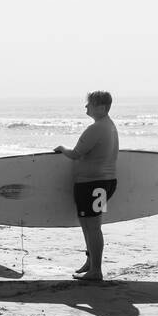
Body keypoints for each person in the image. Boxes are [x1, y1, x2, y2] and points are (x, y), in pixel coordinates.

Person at [54, 91, 119, 281]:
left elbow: (75, 153)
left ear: (101, 107)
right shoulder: (109, 126)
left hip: (94, 184)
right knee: (88, 225)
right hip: (101, 182)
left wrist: (61, 148)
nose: (86, 107)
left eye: (89, 104)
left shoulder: (97, 128)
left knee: (93, 226)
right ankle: (91, 263)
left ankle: (96, 270)